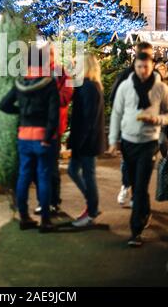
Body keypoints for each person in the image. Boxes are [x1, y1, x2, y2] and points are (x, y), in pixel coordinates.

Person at [108, 52, 168, 247]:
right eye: (139, 66)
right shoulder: (125, 87)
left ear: (152, 66)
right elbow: (116, 113)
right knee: (137, 186)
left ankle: (135, 231)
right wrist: (114, 140)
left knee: (140, 185)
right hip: (129, 141)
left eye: (146, 66)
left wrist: (158, 120)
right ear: (134, 67)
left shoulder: (161, 88)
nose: (142, 70)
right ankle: (144, 212)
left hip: (149, 142)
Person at [0, 46, 60, 232]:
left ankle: (24, 217)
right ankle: (45, 221)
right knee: (43, 177)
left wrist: (22, 112)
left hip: (24, 136)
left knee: (24, 176)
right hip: (43, 136)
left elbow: (3, 105)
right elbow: (53, 114)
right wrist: (48, 137)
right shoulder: (49, 83)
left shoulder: (21, 83)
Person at [110, 42, 154, 206]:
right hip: (128, 129)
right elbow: (114, 99)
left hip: (149, 133)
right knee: (128, 162)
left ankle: (138, 200)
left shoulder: (155, 77)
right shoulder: (125, 75)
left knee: (143, 169)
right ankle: (126, 186)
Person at [34, 45, 73, 215]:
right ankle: (43, 201)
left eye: (50, 54)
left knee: (51, 167)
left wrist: (48, 97)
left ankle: (54, 202)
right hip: (35, 127)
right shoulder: (34, 72)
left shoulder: (61, 72)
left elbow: (67, 95)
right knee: (38, 168)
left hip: (54, 127)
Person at [68, 53, 105, 227]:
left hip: (86, 141)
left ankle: (91, 210)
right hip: (85, 140)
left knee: (86, 174)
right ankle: (91, 205)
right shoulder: (88, 85)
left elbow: (88, 118)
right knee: (75, 171)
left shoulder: (89, 87)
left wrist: (79, 142)